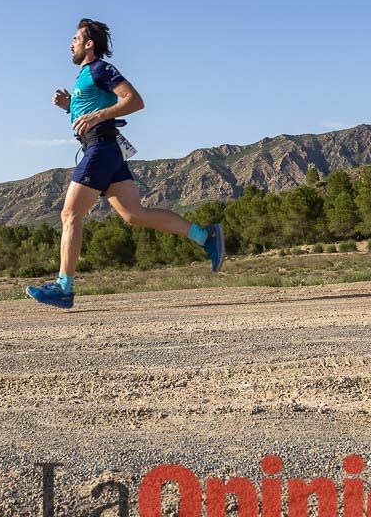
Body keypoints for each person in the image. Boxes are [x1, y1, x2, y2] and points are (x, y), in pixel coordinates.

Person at [25, 19, 224, 309]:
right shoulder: (85, 75)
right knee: (134, 215)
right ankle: (205, 237)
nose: (71, 43)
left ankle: (64, 288)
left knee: (70, 215)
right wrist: (70, 107)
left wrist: (99, 116)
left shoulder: (100, 69)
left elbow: (134, 100)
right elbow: (89, 111)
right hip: (104, 149)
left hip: (101, 149)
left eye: (75, 39)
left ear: (89, 44)